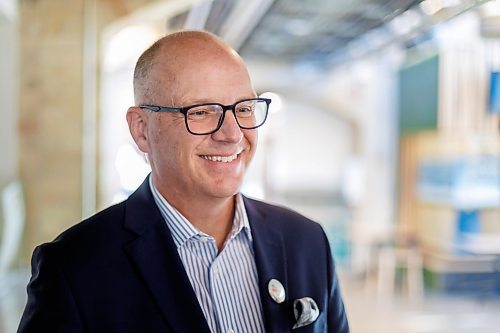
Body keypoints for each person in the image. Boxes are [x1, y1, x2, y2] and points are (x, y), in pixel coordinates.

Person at [18, 30, 349, 333]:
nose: (233, 134)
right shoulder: (75, 269)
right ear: (142, 129)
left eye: (244, 108)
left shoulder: (306, 242)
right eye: (202, 111)